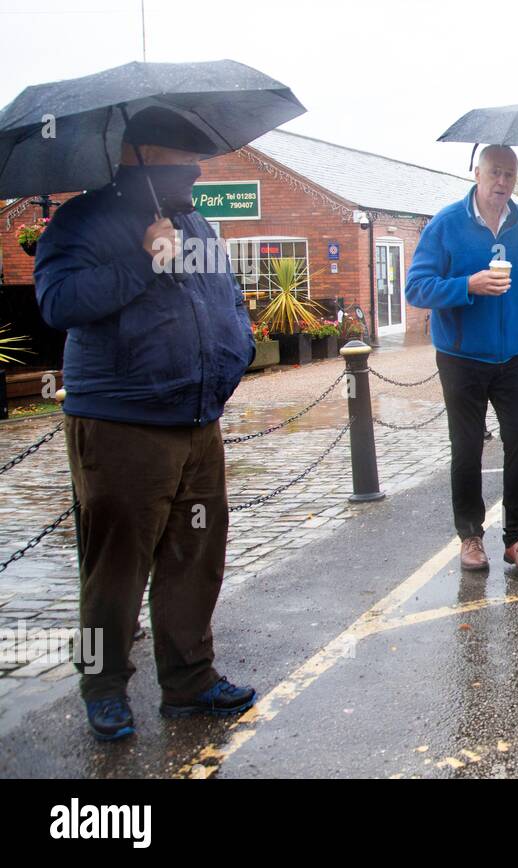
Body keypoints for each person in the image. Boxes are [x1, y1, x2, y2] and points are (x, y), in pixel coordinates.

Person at [34, 107, 258, 741]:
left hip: (196, 420)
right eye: (175, 155)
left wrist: (234, 349)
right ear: (136, 156)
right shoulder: (82, 220)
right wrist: (142, 261)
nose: (191, 167)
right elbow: (57, 302)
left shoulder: (196, 222)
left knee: (195, 554)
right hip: (122, 424)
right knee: (117, 567)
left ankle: (189, 682)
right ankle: (103, 687)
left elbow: (226, 296)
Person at [406, 145, 518, 573]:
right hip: (461, 357)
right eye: (495, 172)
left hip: (513, 354)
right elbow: (416, 288)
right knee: (468, 448)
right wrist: (466, 286)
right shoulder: (446, 224)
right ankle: (471, 536)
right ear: (477, 172)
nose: (502, 183)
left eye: (510, 175)